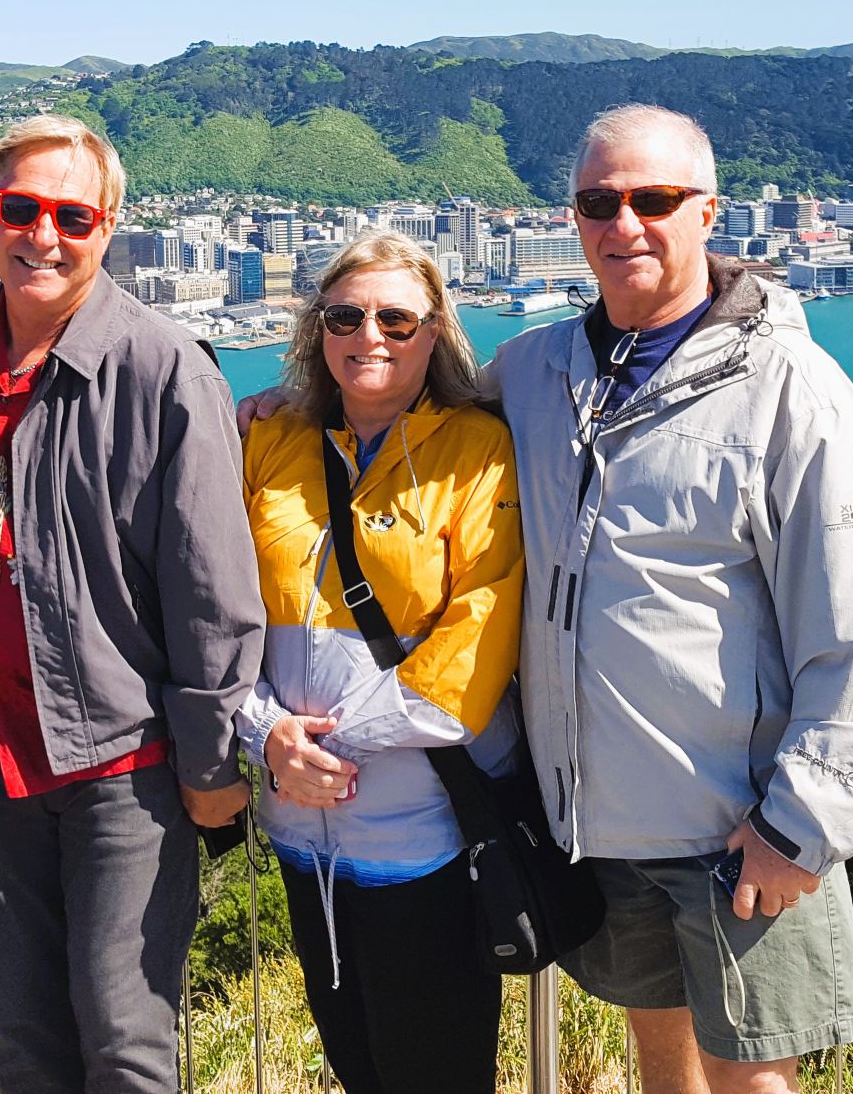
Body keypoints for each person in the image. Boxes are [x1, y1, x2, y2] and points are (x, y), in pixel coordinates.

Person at [243, 105, 853, 1094]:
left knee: (754, 1080)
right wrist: (284, 402)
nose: (625, 225)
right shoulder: (533, 371)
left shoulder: (793, 392)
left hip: (742, 822)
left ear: (708, 212)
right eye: (598, 202)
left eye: (652, 200)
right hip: (598, 825)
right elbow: (402, 405)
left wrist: (801, 824)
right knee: (661, 1068)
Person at [0, 114, 264, 1094]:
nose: (43, 235)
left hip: (125, 765)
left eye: (71, 215)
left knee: (124, 1044)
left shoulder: (163, 370)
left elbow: (212, 589)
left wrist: (208, 762)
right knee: (22, 1042)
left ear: (108, 226)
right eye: (20, 209)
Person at [238, 230, 524, 1094]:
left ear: (435, 332)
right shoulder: (270, 441)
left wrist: (324, 747)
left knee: (437, 1069)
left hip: (426, 832)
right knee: (355, 1062)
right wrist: (264, 735)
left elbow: (478, 635)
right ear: (317, 330)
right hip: (300, 834)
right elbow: (212, 610)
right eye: (346, 316)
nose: (370, 336)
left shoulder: (477, 450)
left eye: (397, 319)